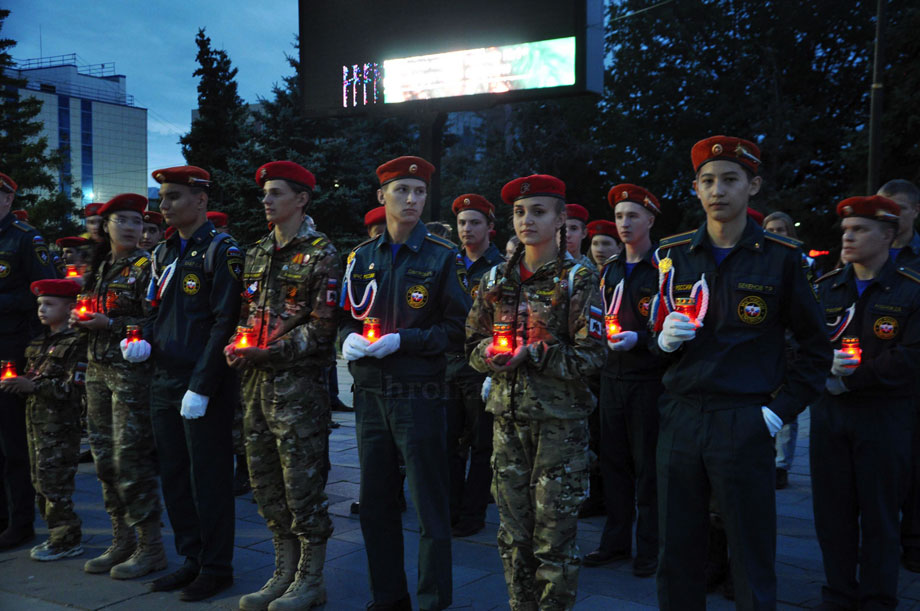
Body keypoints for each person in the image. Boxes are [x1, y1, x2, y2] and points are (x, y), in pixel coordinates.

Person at [651, 136, 831, 610]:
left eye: (730, 180)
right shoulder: (672, 256)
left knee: (751, 556)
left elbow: (816, 350)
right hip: (682, 417)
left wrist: (776, 414)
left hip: (744, 418)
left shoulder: (781, 257)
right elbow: (651, 338)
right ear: (695, 189)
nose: (718, 191)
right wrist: (661, 340)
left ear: (752, 185)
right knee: (677, 553)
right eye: (707, 181)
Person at [467, 173, 606, 610]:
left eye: (539, 212)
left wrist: (535, 354)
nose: (527, 220)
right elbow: (471, 343)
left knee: (554, 541)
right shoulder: (495, 278)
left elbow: (592, 356)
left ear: (561, 218)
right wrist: (488, 354)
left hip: (559, 428)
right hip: (507, 422)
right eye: (520, 212)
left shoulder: (578, 279)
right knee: (512, 537)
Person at [339, 156, 468, 611]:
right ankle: (388, 597)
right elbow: (342, 318)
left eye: (418, 192)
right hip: (370, 395)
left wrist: (403, 340)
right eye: (402, 191)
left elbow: (459, 330)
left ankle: (434, 601)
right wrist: (347, 340)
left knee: (431, 509)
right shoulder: (360, 257)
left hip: (420, 394)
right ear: (382, 197)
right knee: (375, 505)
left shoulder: (440, 256)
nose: (411, 199)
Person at [227, 161, 342, 610]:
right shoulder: (257, 252)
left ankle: (310, 579)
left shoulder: (321, 254)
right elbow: (247, 314)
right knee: (267, 485)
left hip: (297, 393)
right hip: (255, 388)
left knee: (303, 487)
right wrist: (237, 343)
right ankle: (283, 572)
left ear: (302, 199)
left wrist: (268, 352)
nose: (267, 201)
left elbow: (322, 328)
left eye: (276, 193)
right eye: (265, 193)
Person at [811, 195, 920, 609]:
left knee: (879, 513)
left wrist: (854, 379)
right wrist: (824, 373)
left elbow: (911, 357)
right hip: (830, 415)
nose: (848, 236)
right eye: (845, 230)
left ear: (888, 235)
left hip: (884, 416)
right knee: (832, 513)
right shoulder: (824, 288)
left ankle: (877, 598)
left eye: (859, 229)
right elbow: (799, 343)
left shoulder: (910, 291)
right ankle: (837, 592)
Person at [146, 165, 242, 601]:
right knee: (175, 475)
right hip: (163, 377)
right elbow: (155, 312)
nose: (163, 206)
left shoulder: (220, 250)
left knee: (209, 477)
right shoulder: (164, 253)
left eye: (174, 197)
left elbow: (225, 321)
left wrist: (202, 385)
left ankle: (217, 565)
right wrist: (141, 342)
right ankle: (191, 557)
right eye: (163, 197)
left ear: (201, 200)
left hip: (200, 383)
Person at [73, 193, 166, 580]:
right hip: (97, 372)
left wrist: (109, 325)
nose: (132, 228)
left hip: (131, 377)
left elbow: (157, 321)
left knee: (132, 461)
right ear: (105, 226)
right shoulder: (99, 267)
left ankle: (150, 547)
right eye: (122, 220)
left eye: (137, 221)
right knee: (105, 460)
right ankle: (121, 539)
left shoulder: (148, 266)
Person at [584, 184, 664, 578]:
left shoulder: (664, 268)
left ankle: (650, 547)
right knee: (612, 464)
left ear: (650, 220)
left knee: (648, 468)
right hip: (611, 378)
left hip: (648, 379)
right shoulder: (610, 270)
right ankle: (615, 541)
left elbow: (674, 328)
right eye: (619, 217)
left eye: (633, 216)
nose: (625, 223)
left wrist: (643, 341)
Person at [0, 279, 86, 561]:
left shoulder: (76, 342)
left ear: (71, 307)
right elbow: (33, 375)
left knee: (56, 485)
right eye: (39, 305)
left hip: (60, 427)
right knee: (40, 482)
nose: (42, 310)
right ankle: (56, 534)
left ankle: (67, 538)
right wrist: (18, 381)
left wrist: (33, 387)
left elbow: (73, 387)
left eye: (49, 304)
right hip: (37, 424)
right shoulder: (39, 341)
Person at [0, 171, 58, 551]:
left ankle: (20, 522)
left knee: (12, 443)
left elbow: (45, 291)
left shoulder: (24, 239)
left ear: (7, 199)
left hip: (11, 348)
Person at [446, 193, 504, 538]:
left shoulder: (499, 268)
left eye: (475, 222)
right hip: (450, 363)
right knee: (449, 442)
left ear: (490, 227)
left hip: (481, 367)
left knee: (482, 445)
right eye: (462, 223)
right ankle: (452, 508)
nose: (467, 229)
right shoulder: (450, 263)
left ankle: (474, 512)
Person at [762, 211, 805, 491]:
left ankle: (781, 465)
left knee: (786, 412)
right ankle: (765, 458)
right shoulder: (758, 262)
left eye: (782, 229)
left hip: (790, 348)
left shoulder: (800, 264)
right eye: (771, 229)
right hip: (764, 349)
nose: (777, 233)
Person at [877, 179, 920, 268]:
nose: (891, 215)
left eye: (899, 208)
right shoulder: (864, 252)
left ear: (916, 211)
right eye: (884, 209)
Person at [562, 203, 595, 269]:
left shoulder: (591, 269)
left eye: (573, 228)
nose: (567, 234)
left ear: (584, 233)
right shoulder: (545, 263)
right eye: (562, 228)